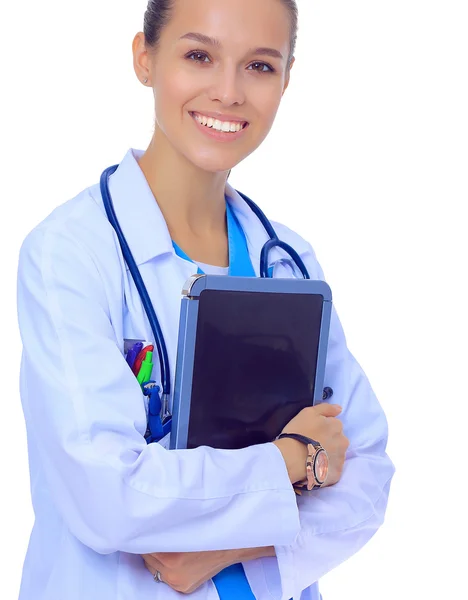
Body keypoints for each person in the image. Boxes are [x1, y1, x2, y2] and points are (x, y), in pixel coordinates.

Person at [16, 0, 395, 599]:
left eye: (260, 66)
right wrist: (294, 461)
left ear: (287, 79)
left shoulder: (287, 261)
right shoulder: (70, 252)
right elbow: (108, 497)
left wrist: (229, 546)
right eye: (199, 56)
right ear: (144, 58)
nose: (229, 91)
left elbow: (368, 472)